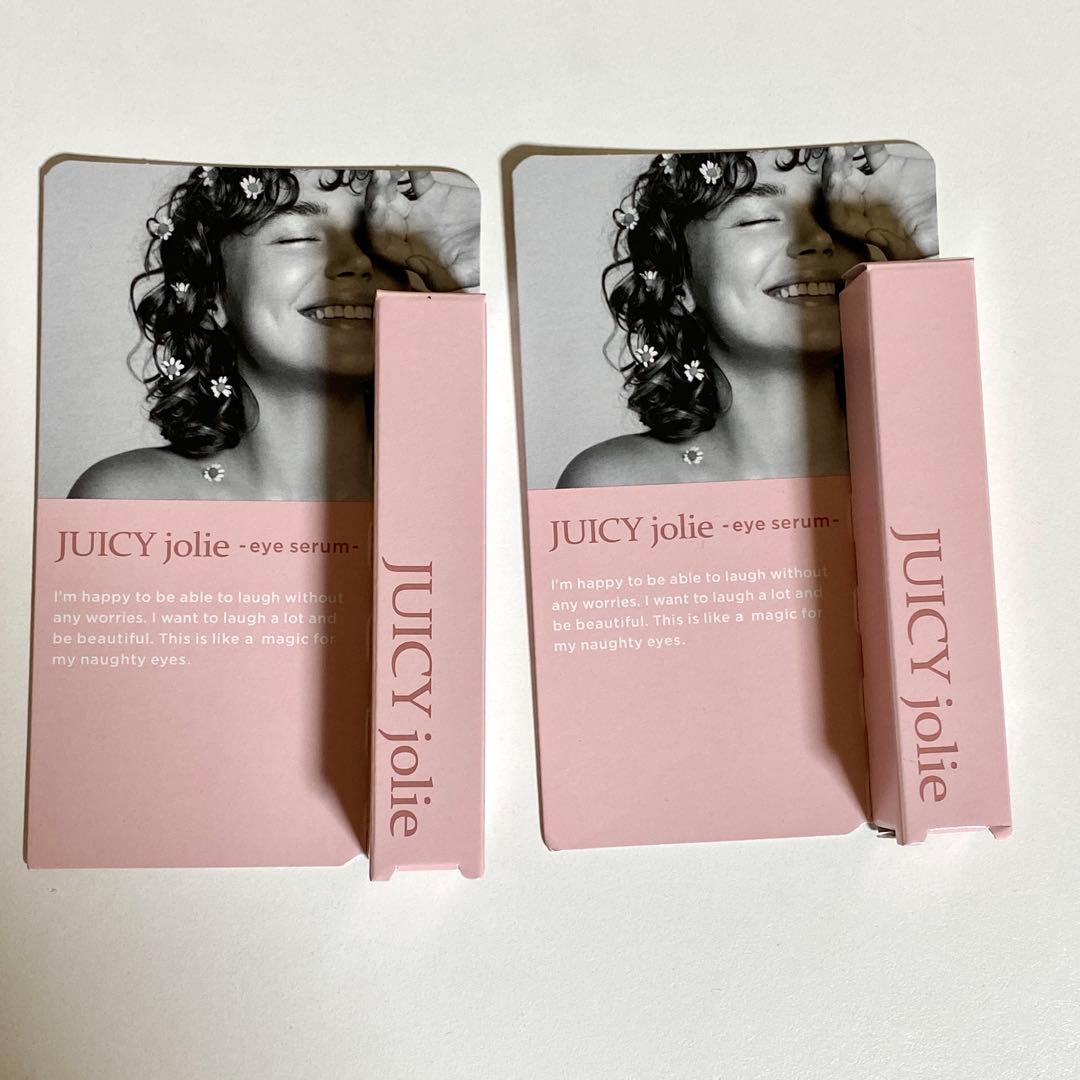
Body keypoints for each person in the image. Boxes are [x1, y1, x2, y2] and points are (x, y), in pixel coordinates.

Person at [69, 165, 480, 500]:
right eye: (298, 237)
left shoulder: (470, 488)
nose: (357, 262)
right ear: (210, 297)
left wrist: (476, 257)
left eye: (379, 239)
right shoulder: (130, 499)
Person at [557, 144, 937, 488]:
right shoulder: (616, 487)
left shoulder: (932, 454)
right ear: (677, 283)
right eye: (758, 219)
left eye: (835, 215)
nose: (818, 240)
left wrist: (923, 249)